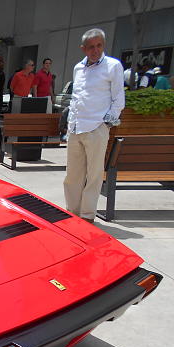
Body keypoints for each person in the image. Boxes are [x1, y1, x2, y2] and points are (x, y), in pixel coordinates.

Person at [63, 28, 124, 223]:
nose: (95, 50)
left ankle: (88, 216)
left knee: (94, 176)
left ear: (103, 45)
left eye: (99, 45)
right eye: (91, 47)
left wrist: (105, 124)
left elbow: (118, 100)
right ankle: (72, 214)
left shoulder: (113, 66)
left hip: (97, 128)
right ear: (83, 48)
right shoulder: (78, 68)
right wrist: (70, 123)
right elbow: (76, 97)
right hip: (75, 128)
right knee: (72, 176)